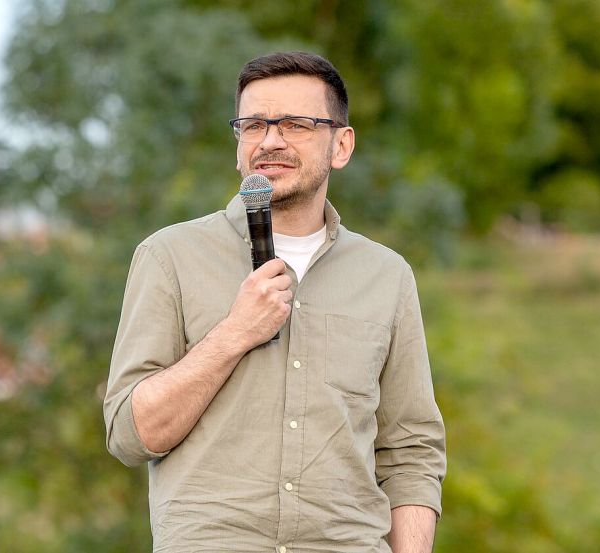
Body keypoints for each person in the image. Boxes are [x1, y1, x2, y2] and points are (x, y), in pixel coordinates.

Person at [103, 51, 446, 553]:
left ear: (341, 145)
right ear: (237, 144)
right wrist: (234, 332)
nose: (270, 141)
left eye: (296, 124)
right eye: (254, 125)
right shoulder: (168, 257)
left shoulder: (387, 276)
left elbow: (410, 451)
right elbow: (131, 435)